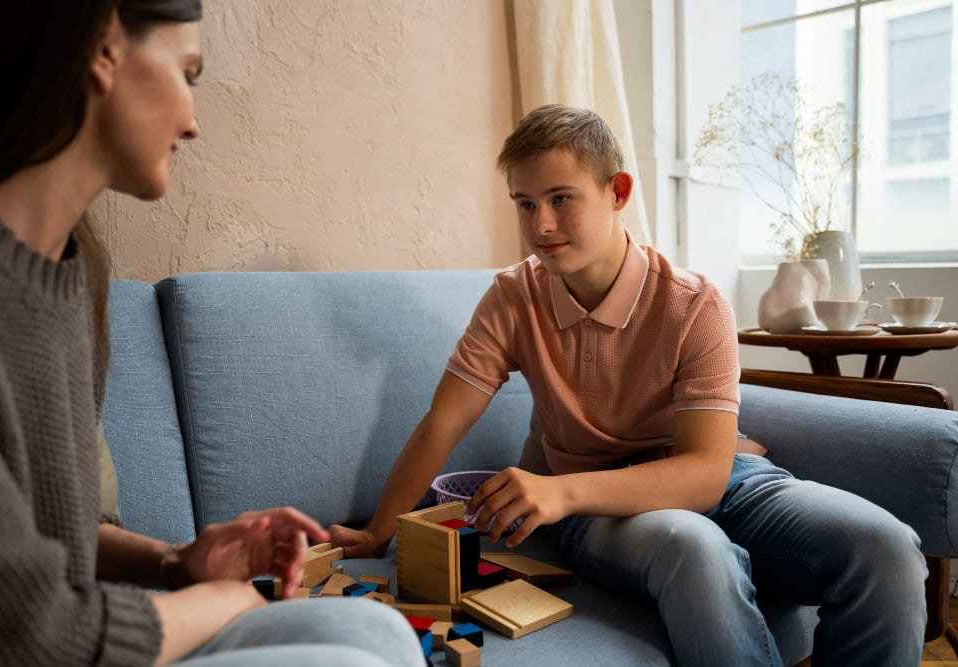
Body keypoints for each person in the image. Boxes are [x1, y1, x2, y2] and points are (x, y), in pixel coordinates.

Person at [329, 104, 928, 666]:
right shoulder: (514, 298)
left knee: (888, 547)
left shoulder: (695, 303)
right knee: (694, 549)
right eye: (524, 203)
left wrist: (553, 493)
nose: (541, 224)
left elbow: (705, 474)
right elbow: (444, 422)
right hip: (600, 504)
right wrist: (380, 532)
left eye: (561, 199)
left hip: (725, 480)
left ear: (617, 192)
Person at [0, 2, 424, 666]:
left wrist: (180, 561)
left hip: (70, 631)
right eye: (187, 72)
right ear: (102, 49)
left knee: (381, 634)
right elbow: (23, 631)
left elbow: (55, 534)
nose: (193, 121)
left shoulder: (73, 271)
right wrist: (231, 600)